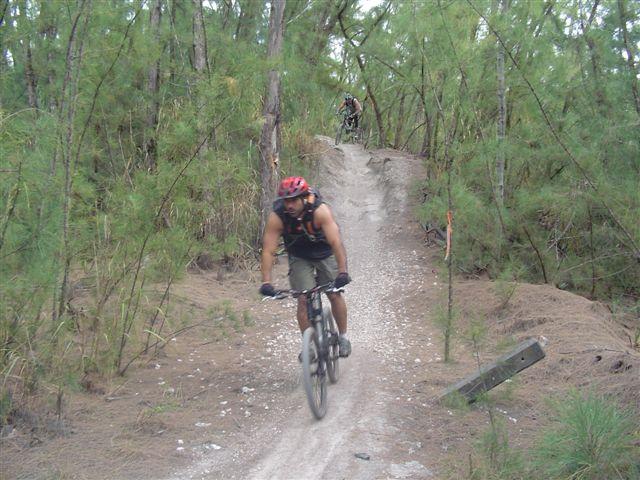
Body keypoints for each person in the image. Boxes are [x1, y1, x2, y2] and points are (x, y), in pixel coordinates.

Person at [259, 176, 352, 358]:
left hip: (325, 253)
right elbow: (268, 251)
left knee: (334, 293)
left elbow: (336, 242)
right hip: (299, 256)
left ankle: (343, 337)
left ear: (304, 197)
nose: (289, 206)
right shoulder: (278, 217)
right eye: (286, 201)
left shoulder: (320, 211)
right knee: (302, 299)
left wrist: (342, 272)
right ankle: (308, 346)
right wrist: (266, 283)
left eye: (294, 200)